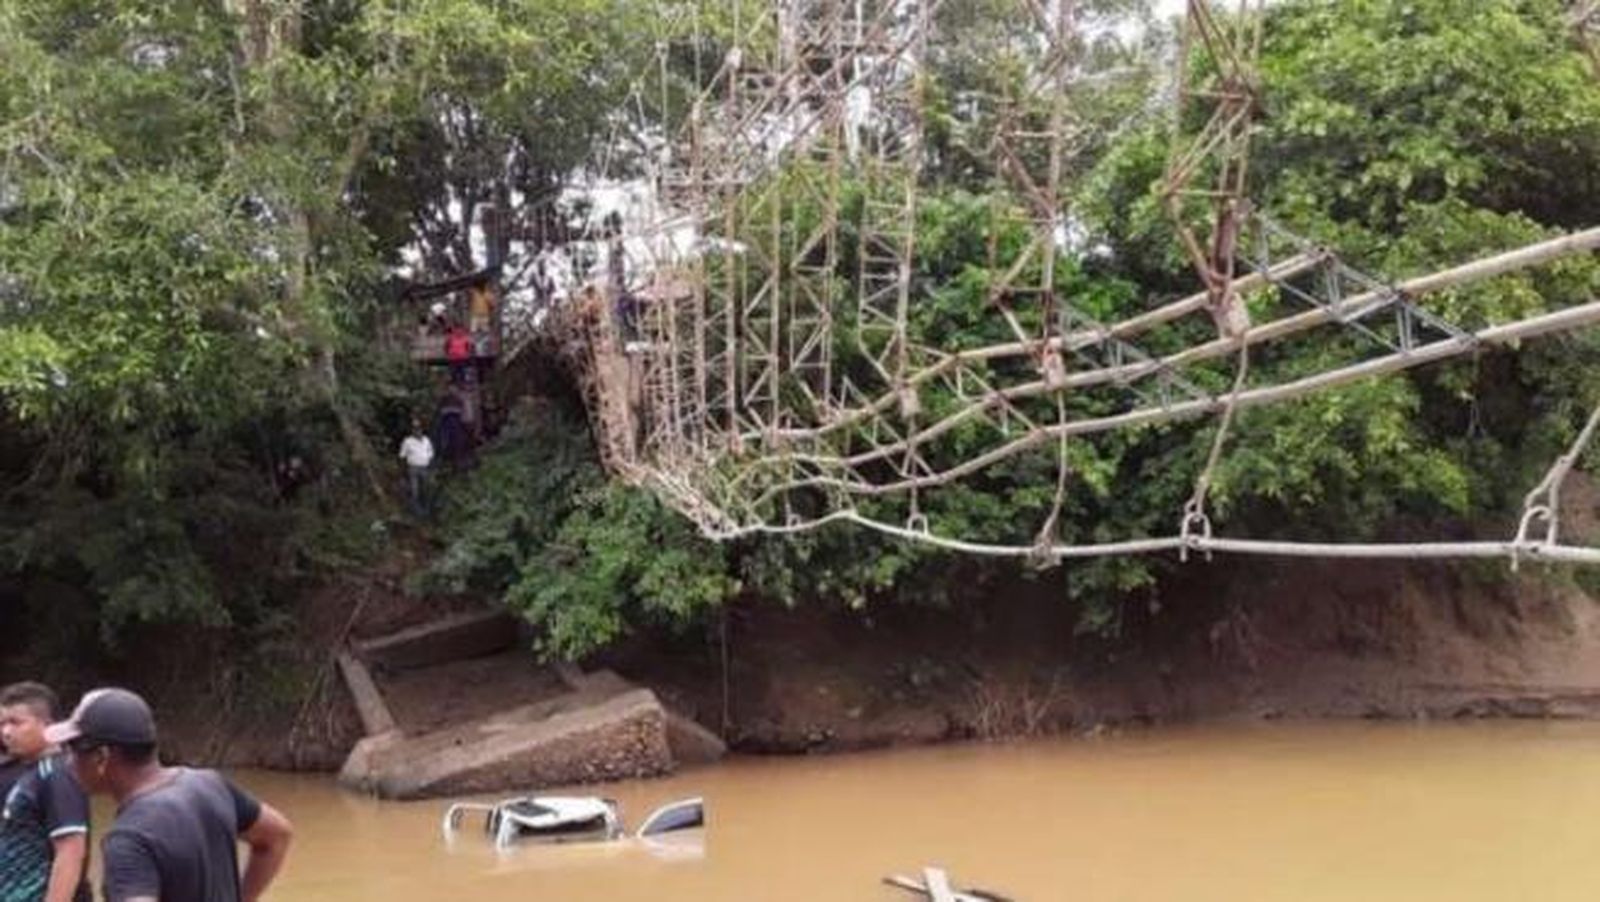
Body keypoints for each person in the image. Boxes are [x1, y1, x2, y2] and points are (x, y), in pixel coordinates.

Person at [47, 688, 292, 902]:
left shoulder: (129, 840)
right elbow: (277, 835)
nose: (68, 762)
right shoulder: (209, 784)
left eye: (73, 749)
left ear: (101, 757)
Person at [0, 682, 90, 902]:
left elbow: (70, 852)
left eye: (16, 723)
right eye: (2, 724)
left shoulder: (57, 774)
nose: (6, 732)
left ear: (48, 725)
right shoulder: (28, 772)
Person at [397, 420, 434, 517]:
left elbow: (430, 453)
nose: (417, 431)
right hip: (413, 468)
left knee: (426, 489)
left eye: (418, 429)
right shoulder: (407, 441)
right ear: (412, 430)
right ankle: (417, 512)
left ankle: (427, 510)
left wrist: (429, 464)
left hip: (425, 468)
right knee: (415, 490)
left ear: (422, 429)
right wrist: (402, 472)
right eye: (415, 429)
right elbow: (402, 457)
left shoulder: (426, 440)